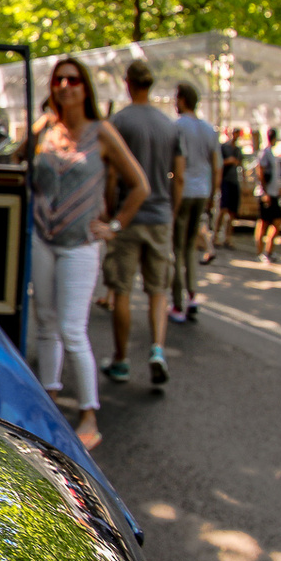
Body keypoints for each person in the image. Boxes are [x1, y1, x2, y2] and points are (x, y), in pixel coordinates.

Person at [23, 58, 150, 451]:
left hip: (81, 244)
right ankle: (48, 399)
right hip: (43, 238)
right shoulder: (43, 128)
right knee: (44, 322)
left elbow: (140, 185)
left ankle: (89, 414)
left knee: (72, 329)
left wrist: (114, 226)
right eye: (59, 79)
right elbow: (16, 165)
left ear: (85, 88)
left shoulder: (102, 132)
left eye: (73, 79)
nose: (65, 85)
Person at [105, 59, 183, 386]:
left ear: (128, 83)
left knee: (121, 289)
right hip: (161, 215)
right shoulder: (169, 125)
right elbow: (178, 176)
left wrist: (112, 215)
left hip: (129, 214)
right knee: (157, 290)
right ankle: (157, 349)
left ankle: (121, 360)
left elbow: (111, 175)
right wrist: (172, 212)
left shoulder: (120, 122)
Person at [170, 81, 219, 322]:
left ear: (182, 100)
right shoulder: (208, 129)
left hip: (184, 191)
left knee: (178, 249)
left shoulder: (178, 127)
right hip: (202, 191)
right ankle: (192, 296)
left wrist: (174, 200)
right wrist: (212, 196)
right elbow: (216, 165)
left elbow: (176, 170)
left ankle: (178, 304)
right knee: (190, 247)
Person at [210, 127, 244, 254]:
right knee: (223, 209)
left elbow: (241, 164)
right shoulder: (224, 147)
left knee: (232, 212)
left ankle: (228, 237)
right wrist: (228, 161)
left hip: (234, 181)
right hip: (225, 180)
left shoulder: (238, 150)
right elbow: (217, 163)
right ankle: (216, 235)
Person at [256, 129, 281, 261]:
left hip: (273, 193)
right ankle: (260, 252)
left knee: (277, 222)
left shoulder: (272, 153)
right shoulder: (265, 152)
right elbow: (260, 170)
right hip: (266, 193)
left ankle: (268, 250)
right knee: (264, 222)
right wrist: (265, 192)